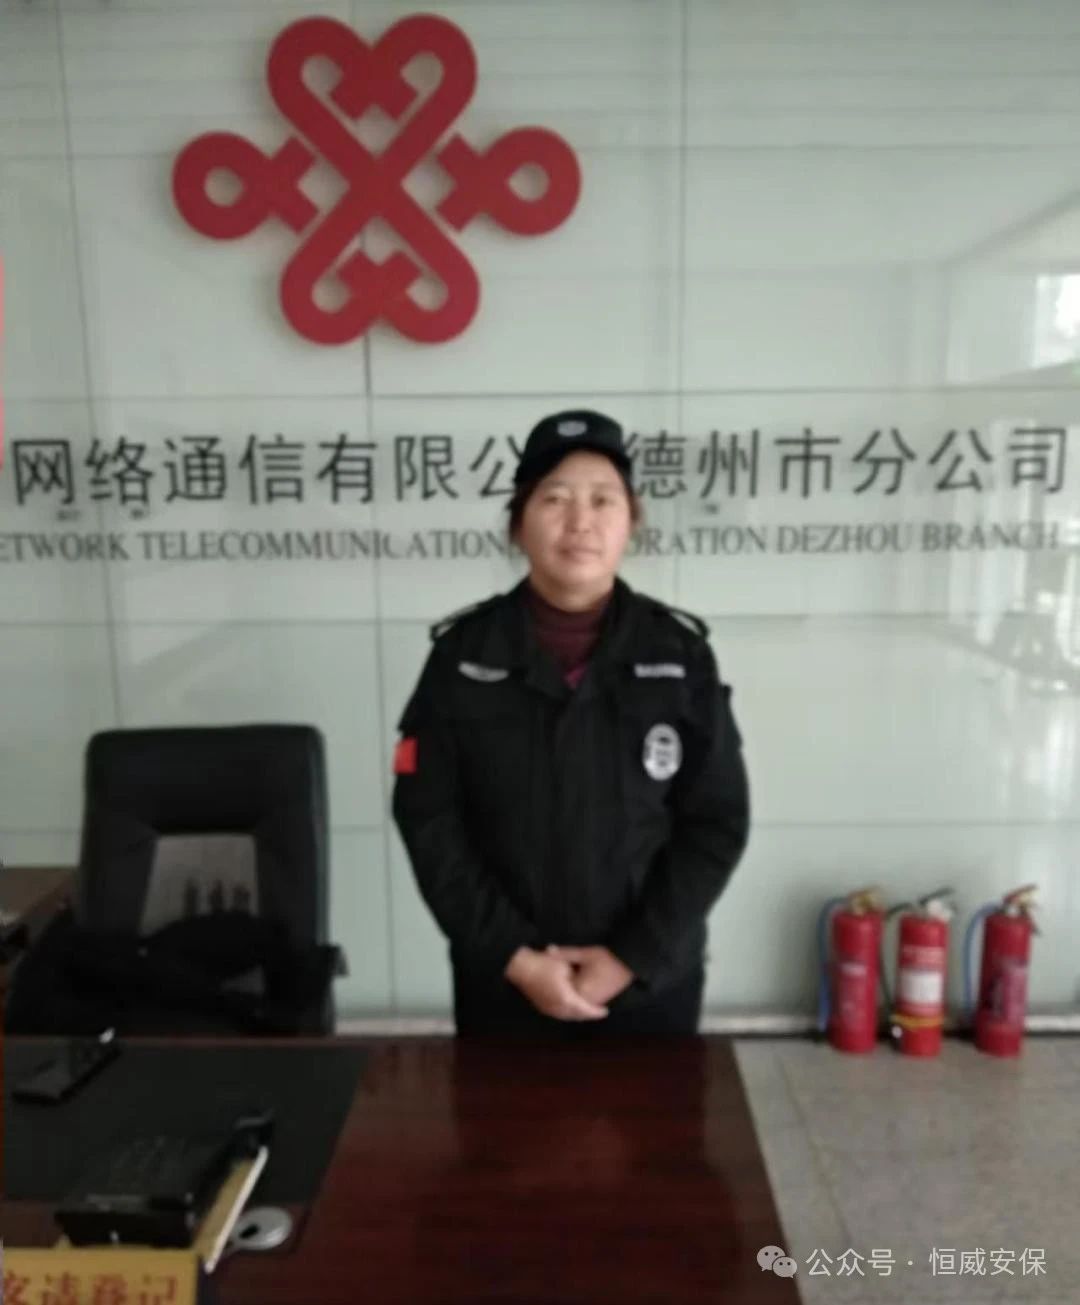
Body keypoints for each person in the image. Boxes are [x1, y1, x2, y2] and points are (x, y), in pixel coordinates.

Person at [391, 409, 750, 1036]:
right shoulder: (463, 656)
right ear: (518, 523)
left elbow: (715, 822)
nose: (581, 521)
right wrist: (515, 956)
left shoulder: (679, 654)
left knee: (659, 1108)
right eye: (555, 499)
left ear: (631, 521)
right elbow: (429, 820)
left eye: (603, 500)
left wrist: (630, 956)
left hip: (648, 984)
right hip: (504, 985)